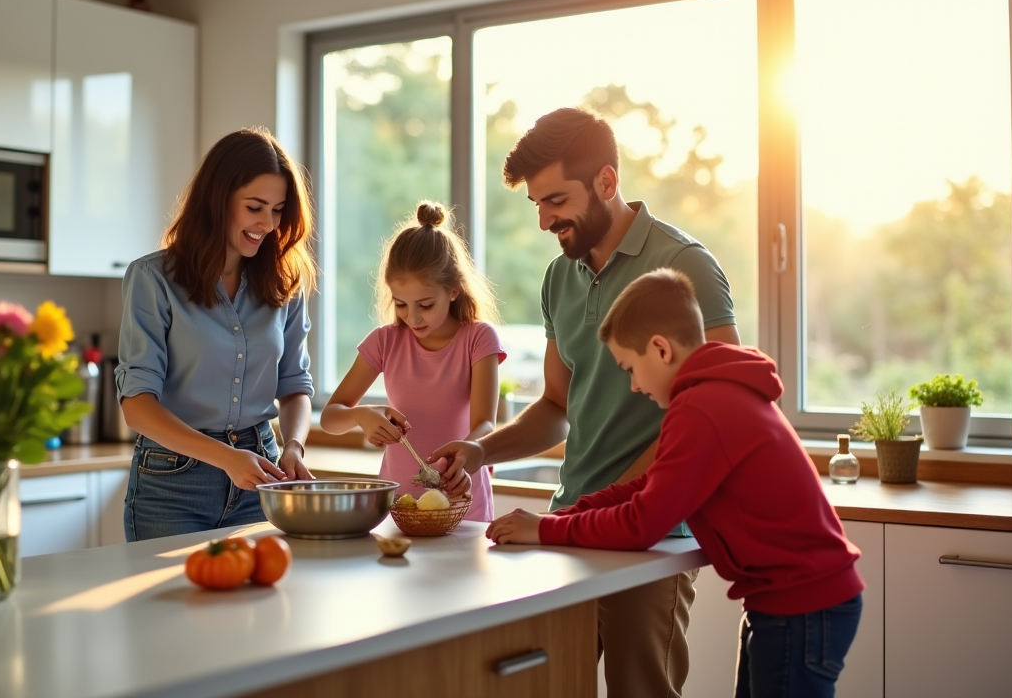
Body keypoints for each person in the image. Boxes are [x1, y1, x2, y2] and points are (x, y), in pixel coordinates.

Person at [432, 107, 739, 696]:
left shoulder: (684, 265)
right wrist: (477, 450)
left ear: (606, 180)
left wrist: (623, 500)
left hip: (652, 532)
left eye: (556, 201)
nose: (546, 219)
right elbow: (555, 404)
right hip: (570, 520)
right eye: (537, 205)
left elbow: (719, 407)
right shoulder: (559, 278)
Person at [487, 268, 864, 698]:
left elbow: (643, 523)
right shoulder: (711, 394)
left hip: (801, 606)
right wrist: (565, 514)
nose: (632, 385)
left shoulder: (701, 406)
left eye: (630, 368)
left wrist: (545, 529)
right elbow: (648, 484)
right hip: (793, 602)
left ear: (661, 349)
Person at [116, 127, 318, 540]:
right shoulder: (153, 279)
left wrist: (294, 446)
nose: (268, 224)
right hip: (173, 483)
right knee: (171, 605)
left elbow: (295, 385)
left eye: (278, 210)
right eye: (255, 207)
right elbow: (137, 405)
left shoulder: (285, 283)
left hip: (261, 475)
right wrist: (225, 457)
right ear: (218, 200)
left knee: (257, 602)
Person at [321, 200, 505, 522]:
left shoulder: (479, 338)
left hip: (462, 500)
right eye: (401, 304)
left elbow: (484, 425)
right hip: (398, 508)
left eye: (425, 304)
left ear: (454, 290)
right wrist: (362, 416)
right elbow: (330, 417)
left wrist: (465, 456)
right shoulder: (385, 341)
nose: (413, 317)